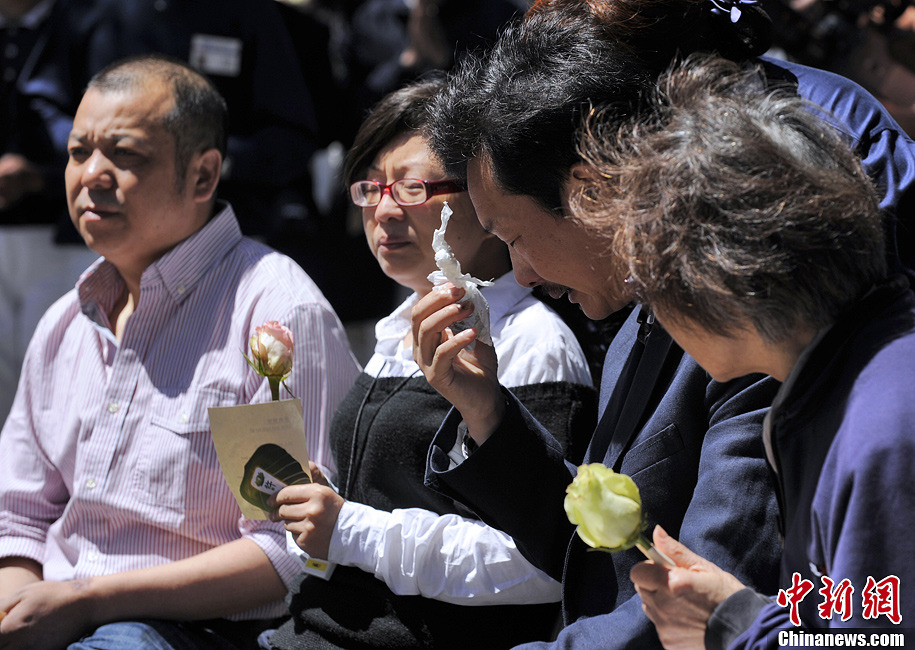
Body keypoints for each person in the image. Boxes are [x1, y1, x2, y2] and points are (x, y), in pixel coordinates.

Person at [411, 8, 784, 649]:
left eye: (517, 238)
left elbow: (708, 606)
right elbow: (589, 552)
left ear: (592, 189)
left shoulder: (745, 337)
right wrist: (486, 411)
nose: (520, 275)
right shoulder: (633, 314)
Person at [0, 55, 359, 650]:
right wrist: (18, 603)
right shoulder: (66, 322)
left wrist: (88, 602)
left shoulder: (271, 316)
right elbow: (18, 513)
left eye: (126, 155)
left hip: (200, 633)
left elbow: (291, 549)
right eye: (78, 151)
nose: (92, 174)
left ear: (203, 175)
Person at [579, 54, 915, 648]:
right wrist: (741, 611)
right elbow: (845, 620)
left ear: (720, 280)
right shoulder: (840, 385)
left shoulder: (882, 430)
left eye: (654, 286)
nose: (650, 314)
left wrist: (731, 625)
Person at [265, 75, 596, 650]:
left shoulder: (534, 342)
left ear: (487, 194)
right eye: (371, 188)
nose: (386, 210)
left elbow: (543, 561)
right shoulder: (396, 329)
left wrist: (352, 530)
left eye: (413, 188)